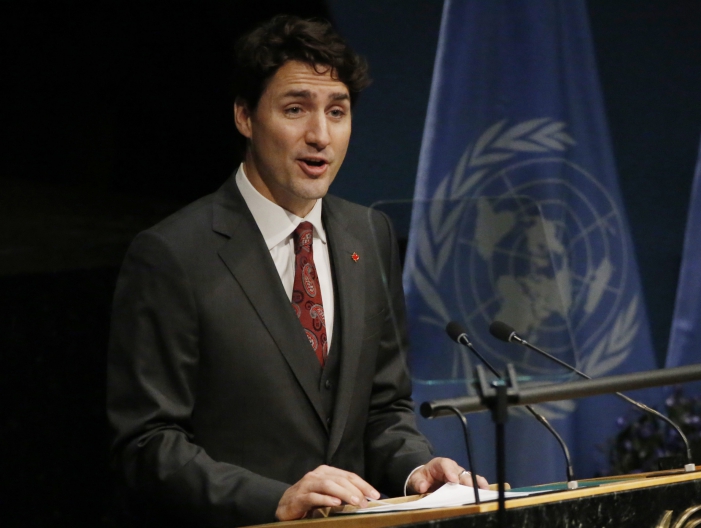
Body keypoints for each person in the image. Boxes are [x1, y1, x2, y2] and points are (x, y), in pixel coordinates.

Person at [107, 15, 485, 527]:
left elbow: (383, 408)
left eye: (337, 111)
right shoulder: (172, 254)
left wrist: (415, 470)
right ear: (244, 116)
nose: (320, 135)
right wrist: (275, 500)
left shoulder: (368, 235)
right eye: (295, 109)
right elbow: (148, 444)